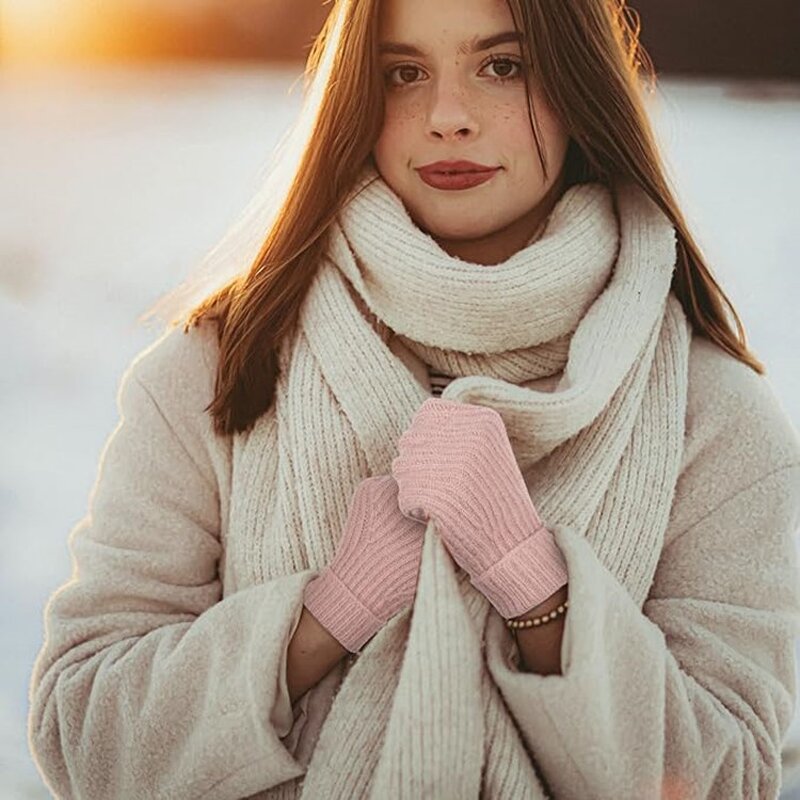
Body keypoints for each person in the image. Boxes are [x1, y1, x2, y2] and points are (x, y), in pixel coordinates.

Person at [27, 0, 800, 797]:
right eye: (404, 73)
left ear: (579, 87)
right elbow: (84, 731)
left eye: (502, 66)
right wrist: (326, 617)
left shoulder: (713, 415)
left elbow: (727, 776)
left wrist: (535, 586)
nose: (447, 116)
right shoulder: (215, 372)